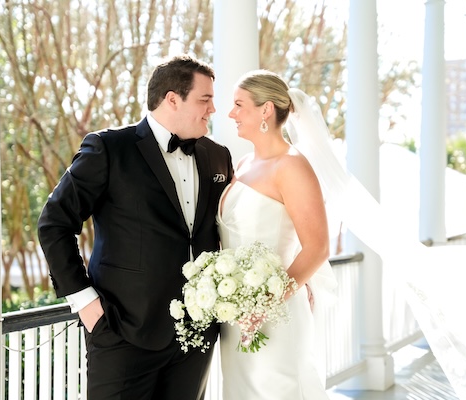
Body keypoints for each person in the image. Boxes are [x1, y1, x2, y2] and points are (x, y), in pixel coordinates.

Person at [38, 54, 234, 400]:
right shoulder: (109, 148)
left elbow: (229, 232)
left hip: (197, 334)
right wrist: (86, 304)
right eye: (205, 99)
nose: (213, 109)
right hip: (122, 332)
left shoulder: (219, 156)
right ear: (172, 99)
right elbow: (54, 223)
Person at [216, 69, 336, 399]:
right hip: (235, 316)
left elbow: (317, 247)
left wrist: (264, 304)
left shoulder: (293, 166)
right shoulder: (241, 165)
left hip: (275, 314)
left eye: (239, 105)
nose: (231, 113)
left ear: (266, 110)